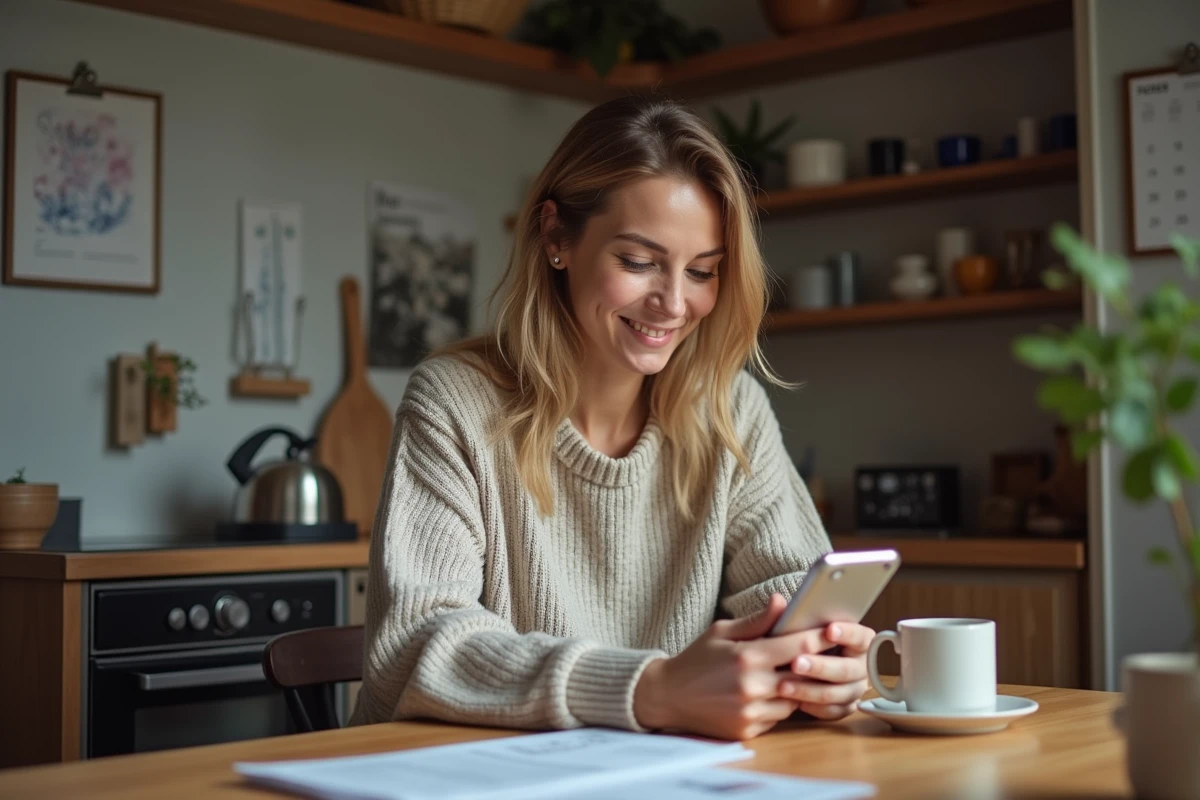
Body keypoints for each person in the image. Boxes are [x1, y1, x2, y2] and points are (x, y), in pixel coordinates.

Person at [349, 94, 873, 741]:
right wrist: (650, 689)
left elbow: (791, 587)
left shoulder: (729, 408)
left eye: (703, 271)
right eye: (639, 261)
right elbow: (413, 646)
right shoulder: (456, 401)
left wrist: (820, 660)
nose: (674, 304)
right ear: (555, 238)